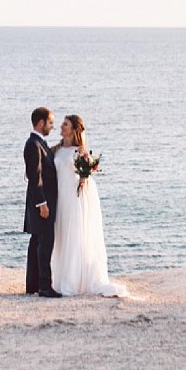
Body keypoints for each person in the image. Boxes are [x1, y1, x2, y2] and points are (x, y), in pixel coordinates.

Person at [49, 114, 129, 297]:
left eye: (65, 124)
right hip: (62, 198)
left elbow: (86, 172)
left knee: (77, 234)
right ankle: (62, 278)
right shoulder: (56, 150)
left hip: (77, 197)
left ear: (74, 129)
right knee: (63, 236)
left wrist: (84, 177)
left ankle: (78, 280)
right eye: (62, 123)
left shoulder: (81, 151)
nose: (61, 126)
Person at [23, 107, 62, 297]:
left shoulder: (39, 144)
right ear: (41, 123)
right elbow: (35, 177)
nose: (52, 126)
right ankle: (44, 287)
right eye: (51, 122)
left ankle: (33, 286)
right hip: (41, 204)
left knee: (36, 243)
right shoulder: (33, 145)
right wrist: (42, 204)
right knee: (44, 243)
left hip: (40, 203)